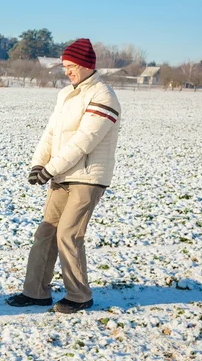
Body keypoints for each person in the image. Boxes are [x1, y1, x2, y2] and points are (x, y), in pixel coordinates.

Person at [6, 38, 121, 314]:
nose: (67, 71)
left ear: (85, 65)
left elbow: (84, 142)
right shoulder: (66, 95)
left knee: (69, 234)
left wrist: (50, 169)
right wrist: (38, 164)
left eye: (71, 66)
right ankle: (35, 292)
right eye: (65, 66)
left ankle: (79, 295)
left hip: (88, 177)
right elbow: (51, 133)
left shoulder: (103, 96)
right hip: (61, 174)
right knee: (45, 233)